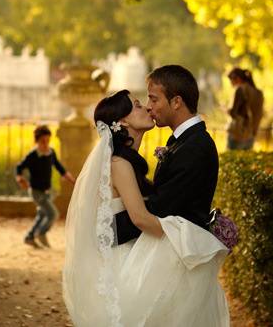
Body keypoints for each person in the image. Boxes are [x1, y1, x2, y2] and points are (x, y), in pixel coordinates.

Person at [62, 67, 230, 327]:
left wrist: (202, 231)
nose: (149, 108)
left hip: (154, 251)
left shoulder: (194, 146)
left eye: (152, 100)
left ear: (176, 102)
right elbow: (145, 215)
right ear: (124, 122)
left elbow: (163, 206)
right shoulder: (124, 162)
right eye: (141, 104)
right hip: (137, 250)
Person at [15, 125, 75, 248]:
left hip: (47, 191)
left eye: (48, 140)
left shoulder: (51, 152)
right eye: (43, 141)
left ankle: (29, 237)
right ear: (37, 141)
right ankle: (41, 233)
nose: (46, 143)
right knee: (53, 214)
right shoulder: (32, 155)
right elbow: (19, 167)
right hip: (36, 192)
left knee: (42, 215)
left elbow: (59, 167)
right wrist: (20, 178)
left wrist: (71, 179)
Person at [226, 67, 264, 150]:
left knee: (232, 161)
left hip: (237, 134)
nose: (231, 83)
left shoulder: (240, 89)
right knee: (246, 161)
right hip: (251, 134)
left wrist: (227, 110)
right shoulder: (259, 93)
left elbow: (233, 113)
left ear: (238, 79)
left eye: (231, 80)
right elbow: (259, 114)